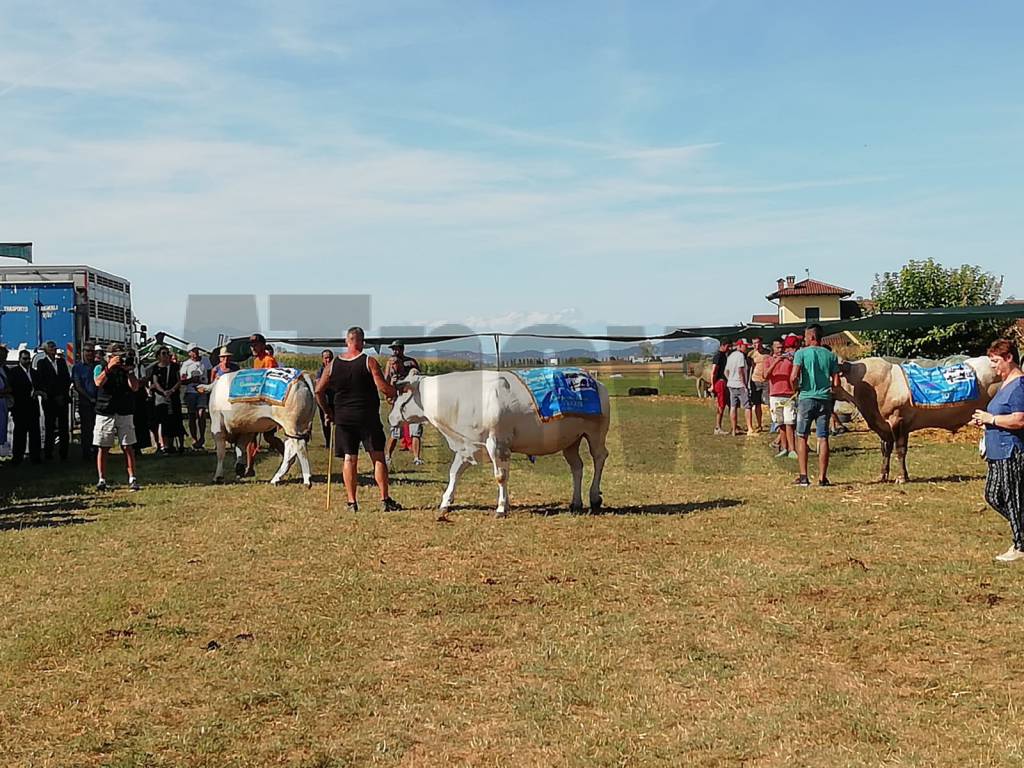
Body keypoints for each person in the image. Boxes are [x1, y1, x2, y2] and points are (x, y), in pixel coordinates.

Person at [315, 326, 402, 512]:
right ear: (361, 342)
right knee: (377, 457)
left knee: (349, 458)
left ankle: (352, 502)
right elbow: (383, 388)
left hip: (343, 418)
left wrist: (328, 411)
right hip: (367, 416)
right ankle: (385, 499)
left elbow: (318, 391)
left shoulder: (333, 365)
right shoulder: (368, 361)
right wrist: (398, 392)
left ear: (347, 341)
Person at [972, 339, 1024, 562]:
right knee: (993, 496)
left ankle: (1020, 546)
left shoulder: (1019, 386)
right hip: (996, 451)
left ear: (1009, 358)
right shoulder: (1005, 383)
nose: (993, 366)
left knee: (1013, 499)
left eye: (995, 361)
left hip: (1010, 451)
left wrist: (991, 418)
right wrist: (986, 423)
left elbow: (1020, 420)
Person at [790, 324, 840, 487]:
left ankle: (803, 476)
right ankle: (822, 477)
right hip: (824, 398)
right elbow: (837, 382)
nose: (804, 339)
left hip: (806, 397)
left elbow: (793, 376)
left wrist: (795, 388)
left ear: (811, 337)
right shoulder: (830, 355)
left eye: (805, 336)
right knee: (823, 437)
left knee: (802, 436)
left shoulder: (801, 354)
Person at [93, 343, 141, 491]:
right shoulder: (100, 366)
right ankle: (102, 479)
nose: (120, 359)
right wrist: (109, 367)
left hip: (124, 410)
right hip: (105, 411)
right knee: (104, 446)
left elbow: (135, 387)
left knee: (128, 446)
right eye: (116, 355)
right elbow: (98, 382)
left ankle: (132, 478)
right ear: (109, 356)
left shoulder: (126, 368)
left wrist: (129, 371)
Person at [244, 333, 285, 476]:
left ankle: (287, 457)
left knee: (268, 437)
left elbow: (273, 382)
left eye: (255, 344)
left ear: (262, 345)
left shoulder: (269, 360)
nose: (253, 347)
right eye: (252, 345)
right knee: (251, 435)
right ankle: (249, 468)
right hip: (256, 402)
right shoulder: (256, 361)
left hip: (267, 403)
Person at [384, 341, 424, 467]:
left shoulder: (411, 362)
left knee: (416, 429)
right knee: (396, 431)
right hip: (399, 400)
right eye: (394, 349)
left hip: (412, 399)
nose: (395, 351)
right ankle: (388, 456)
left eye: (397, 349)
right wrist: (389, 391)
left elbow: (418, 378)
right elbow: (385, 380)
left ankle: (417, 457)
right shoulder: (390, 362)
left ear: (402, 349)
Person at [34, 340, 72, 461]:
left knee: (63, 427)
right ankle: (48, 453)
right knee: (49, 427)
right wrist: (54, 395)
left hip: (62, 398)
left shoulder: (61, 362)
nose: (53, 350)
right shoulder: (42, 363)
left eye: (54, 348)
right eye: (51, 348)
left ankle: (64, 453)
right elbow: (42, 381)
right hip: (50, 400)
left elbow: (66, 379)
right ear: (45, 350)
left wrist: (62, 394)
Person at [764, 337, 798, 458]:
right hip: (775, 396)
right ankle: (784, 448)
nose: (780, 349)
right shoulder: (768, 360)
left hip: (788, 395)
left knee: (790, 422)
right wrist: (776, 361)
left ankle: (792, 449)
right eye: (777, 347)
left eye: (781, 347)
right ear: (772, 348)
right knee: (781, 423)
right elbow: (765, 375)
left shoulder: (789, 360)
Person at [8, 348, 42, 465]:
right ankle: (17, 457)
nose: (27, 361)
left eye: (29, 359)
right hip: (20, 407)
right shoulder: (14, 372)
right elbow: (13, 389)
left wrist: (37, 391)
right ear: (19, 359)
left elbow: (38, 386)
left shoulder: (34, 372)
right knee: (19, 434)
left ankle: (35, 457)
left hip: (33, 407)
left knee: (34, 434)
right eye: (24, 359)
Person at [148, 347, 182, 455]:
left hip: (173, 396)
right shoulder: (155, 368)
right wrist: (163, 392)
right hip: (160, 397)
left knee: (173, 420)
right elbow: (155, 382)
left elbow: (179, 380)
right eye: (164, 353)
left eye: (168, 353)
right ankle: (165, 445)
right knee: (163, 421)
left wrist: (171, 391)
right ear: (158, 356)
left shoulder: (175, 367)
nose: (166, 355)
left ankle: (172, 445)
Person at [180, 343, 213, 450]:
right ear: (189, 353)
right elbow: (182, 380)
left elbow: (209, 374)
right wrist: (191, 380)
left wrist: (209, 386)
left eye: (196, 350)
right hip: (191, 392)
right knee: (192, 416)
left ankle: (202, 437)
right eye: (193, 351)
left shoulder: (205, 360)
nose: (195, 353)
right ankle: (194, 439)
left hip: (202, 391)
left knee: (201, 413)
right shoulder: (186, 364)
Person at [72, 344, 99, 461]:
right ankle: (86, 453)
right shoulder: (77, 368)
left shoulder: (98, 366)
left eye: (91, 351)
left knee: (97, 429)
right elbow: (78, 386)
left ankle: (97, 452)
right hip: (85, 403)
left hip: (99, 403)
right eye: (87, 351)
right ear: (83, 352)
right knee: (86, 430)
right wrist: (89, 398)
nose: (89, 353)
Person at [725, 339, 755, 436]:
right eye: (745, 346)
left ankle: (734, 429)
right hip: (740, 385)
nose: (746, 348)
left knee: (733, 406)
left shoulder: (730, 356)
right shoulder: (741, 356)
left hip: (731, 384)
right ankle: (750, 428)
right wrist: (744, 385)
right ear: (740, 346)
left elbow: (726, 371)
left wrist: (730, 379)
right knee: (747, 406)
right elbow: (740, 370)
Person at [710, 341, 731, 435]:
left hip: (724, 382)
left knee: (730, 404)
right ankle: (717, 427)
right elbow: (714, 371)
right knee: (721, 406)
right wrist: (712, 384)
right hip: (720, 382)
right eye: (728, 346)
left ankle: (734, 426)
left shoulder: (724, 355)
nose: (729, 348)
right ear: (722, 345)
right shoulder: (718, 356)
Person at [749, 336, 769, 432]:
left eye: (757, 342)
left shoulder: (768, 353)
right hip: (755, 380)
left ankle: (775, 424)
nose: (756, 345)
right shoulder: (751, 354)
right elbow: (750, 368)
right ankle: (759, 424)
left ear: (761, 342)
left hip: (766, 381)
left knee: (769, 402)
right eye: (754, 343)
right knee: (757, 403)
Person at [315, 349, 335, 448]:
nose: (328, 360)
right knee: (325, 423)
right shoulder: (320, 371)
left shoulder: (336, 369)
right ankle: (328, 443)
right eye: (326, 358)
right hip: (324, 401)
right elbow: (319, 385)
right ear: (322, 359)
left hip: (335, 400)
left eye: (330, 358)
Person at [0, 345, 10, 459]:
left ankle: (2, 452)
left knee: (3, 427)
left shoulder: (5, 369)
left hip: (4, 402)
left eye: (4, 356)